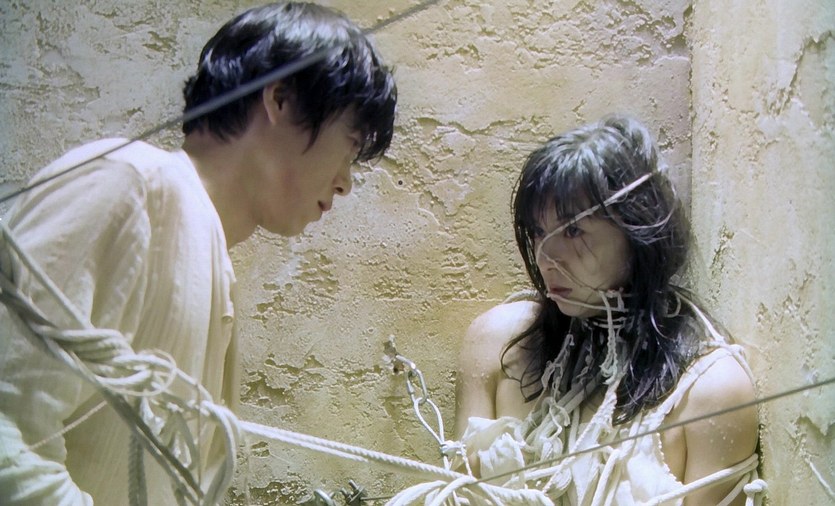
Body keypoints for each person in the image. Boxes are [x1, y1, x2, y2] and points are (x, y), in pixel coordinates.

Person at [0, 2, 397, 505]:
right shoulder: (129, 183)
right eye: (350, 144)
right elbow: (8, 436)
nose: (345, 182)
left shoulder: (211, 257)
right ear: (280, 98)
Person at [454, 116, 762, 505]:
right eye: (538, 231)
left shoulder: (711, 391)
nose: (546, 258)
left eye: (572, 231)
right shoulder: (497, 345)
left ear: (637, 232)